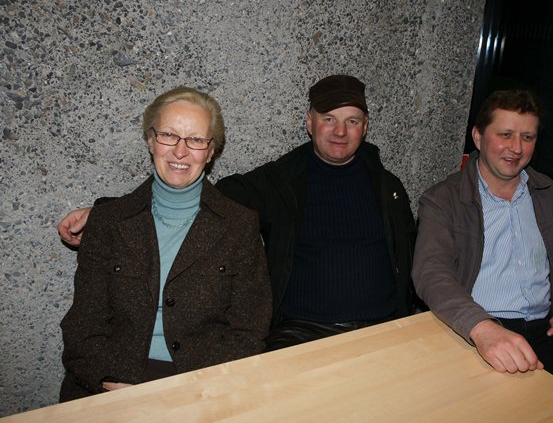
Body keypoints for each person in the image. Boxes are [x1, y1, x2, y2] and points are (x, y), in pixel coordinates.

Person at [58, 75, 417, 351]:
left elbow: (411, 256)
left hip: (384, 326)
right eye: (329, 118)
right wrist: (107, 212)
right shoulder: (280, 181)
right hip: (301, 333)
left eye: (352, 121)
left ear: (365, 127)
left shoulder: (388, 187)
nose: (340, 131)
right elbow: (193, 192)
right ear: (309, 122)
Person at [411, 89, 553, 421]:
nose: (516, 148)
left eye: (527, 137)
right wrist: (482, 328)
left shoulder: (552, 195)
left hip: (547, 332)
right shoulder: (443, 199)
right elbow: (431, 272)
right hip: (474, 330)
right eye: (505, 135)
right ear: (478, 136)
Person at [59, 87, 271, 402]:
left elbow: (249, 331)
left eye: (196, 139)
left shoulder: (240, 226)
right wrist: (110, 383)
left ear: (210, 152)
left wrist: (194, 389)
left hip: (201, 383)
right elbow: (83, 325)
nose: (180, 151)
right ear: (150, 140)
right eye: (169, 135)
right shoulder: (107, 222)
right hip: (111, 382)